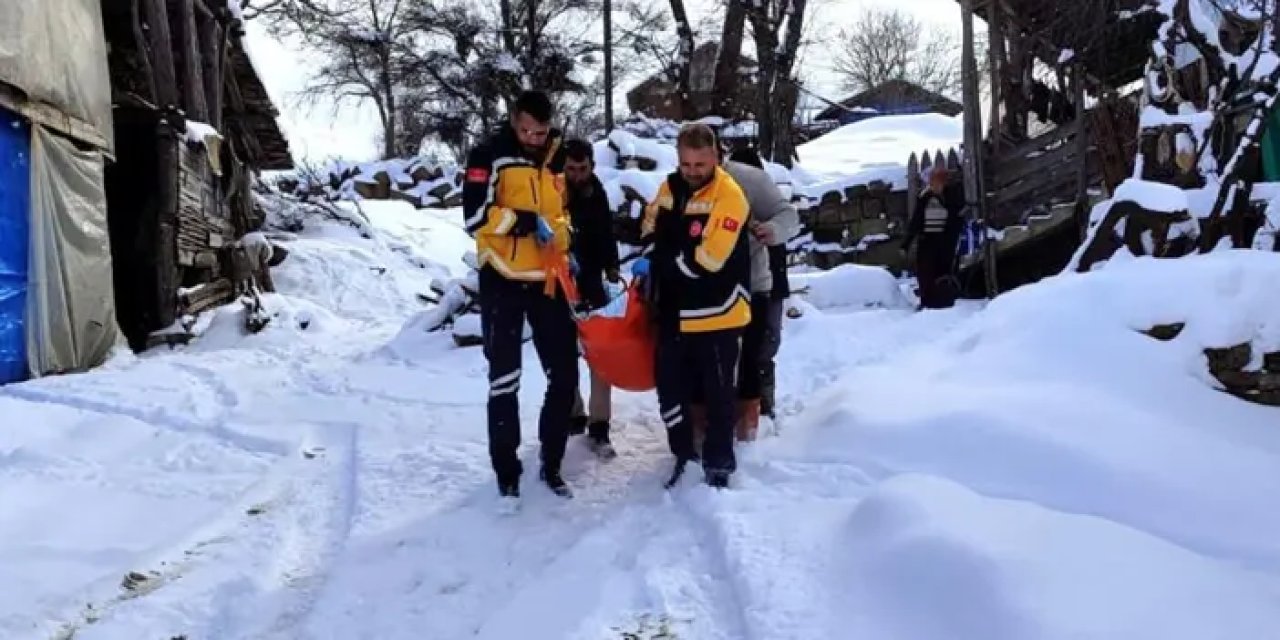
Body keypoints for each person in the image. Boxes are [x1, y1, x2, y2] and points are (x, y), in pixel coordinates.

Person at [462, 90, 578, 501]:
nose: (532, 137)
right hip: (503, 279)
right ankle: (506, 470)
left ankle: (552, 459)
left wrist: (564, 241)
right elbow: (474, 216)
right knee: (504, 378)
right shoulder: (488, 155)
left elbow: (563, 213)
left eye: (540, 131)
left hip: (548, 278)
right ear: (514, 120)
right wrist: (523, 221)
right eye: (525, 129)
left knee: (565, 374)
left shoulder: (556, 158)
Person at [633, 123, 752, 489]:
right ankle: (682, 452)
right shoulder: (670, 187)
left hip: (719, 310)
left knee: (718, 394)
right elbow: (650, 222)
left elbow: (708, 260)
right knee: (669, 388)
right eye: (686, 164)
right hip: (674, 312)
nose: (692, 172)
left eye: (700, 165)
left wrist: (662, 265)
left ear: (715, 157)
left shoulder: (729, 196)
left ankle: (719, 464)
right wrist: (652, 249)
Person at [721, 148, 799, 441]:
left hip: (763, 281)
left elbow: (783, 226)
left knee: (762, 347)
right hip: (742, 283)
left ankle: (760, 406)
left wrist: (769, 232)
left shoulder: (758, 196)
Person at [562, 138, 622, 460]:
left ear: (591, 166)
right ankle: (573, 413)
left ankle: (600, 424)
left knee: (600, 356)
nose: (576, 174)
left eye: (582, 168)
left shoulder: (597, 193)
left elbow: (606, 234)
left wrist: (611, 265)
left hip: (592, 284)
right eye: (570, 169)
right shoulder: (554, 193)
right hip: (560, 283)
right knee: (563, 353)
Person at [901, 164, 964, 310]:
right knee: (925, 273)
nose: (935, 186)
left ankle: (943, 301)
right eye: (933, 183)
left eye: (938, 183)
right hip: (927, 242)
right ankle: (927, 303)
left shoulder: (952, 197)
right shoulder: (925, 199)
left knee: (943, 273)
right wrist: (906, 244)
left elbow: (956, 220)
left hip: (945, 243)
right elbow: (916, 222)